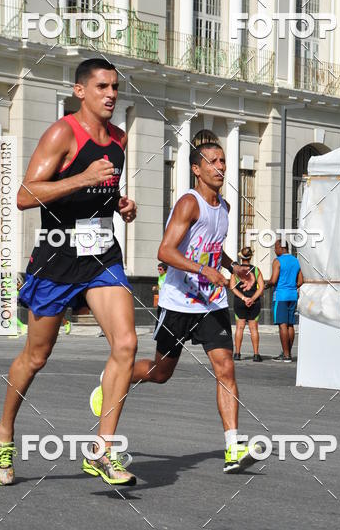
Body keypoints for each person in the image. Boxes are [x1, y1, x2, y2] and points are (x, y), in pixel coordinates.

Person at [0, 58, 139, 488]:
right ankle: (3, 433)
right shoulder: (62, 133)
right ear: (80, 91)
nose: (111, 94)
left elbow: (103, 191)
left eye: (115, 87)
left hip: (102, 256)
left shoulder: (120, 139)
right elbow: (24, 195)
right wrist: (82, 178)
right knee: (36, 357)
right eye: (102, 87)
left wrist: (121, 205)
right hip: (57, 257)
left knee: (126, 343)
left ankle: (103, 449)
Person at [90, 139, 262, 473]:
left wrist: (232, 267)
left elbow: (212, 248)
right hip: (178, 302)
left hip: (210, 303)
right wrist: (203, 270)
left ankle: (233, 447)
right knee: (160, 373)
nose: (220, 167)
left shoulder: (224, 208)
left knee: (226, 367)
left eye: (223, 161)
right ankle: (112, 378)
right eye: (212, 161)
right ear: (197, 169)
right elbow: (165, 251)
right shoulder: (188, 203)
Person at [267, 240, 303, 363]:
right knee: (290, 324)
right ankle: (288, 352)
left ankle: (286, 355)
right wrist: (291, 286)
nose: (274, 250)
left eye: (275, 247)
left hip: (281, 296)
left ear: (281, 248)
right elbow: (300, 281)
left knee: (282, 325)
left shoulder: (277, 261)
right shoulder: (296, 260)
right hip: (293, 295)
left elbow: (273, 280)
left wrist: (265, 286)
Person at [230, 247, 264, 362]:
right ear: (251, 257)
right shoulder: (256, 270)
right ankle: (256, 354)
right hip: (254, 301)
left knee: (239, 327)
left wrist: (244, 298)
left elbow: (232, 287)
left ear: (240, 257)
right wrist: (252, 299)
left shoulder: (236, 271)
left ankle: (237, 353)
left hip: (240, 301)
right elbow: (261, 287)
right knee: (253, 328)